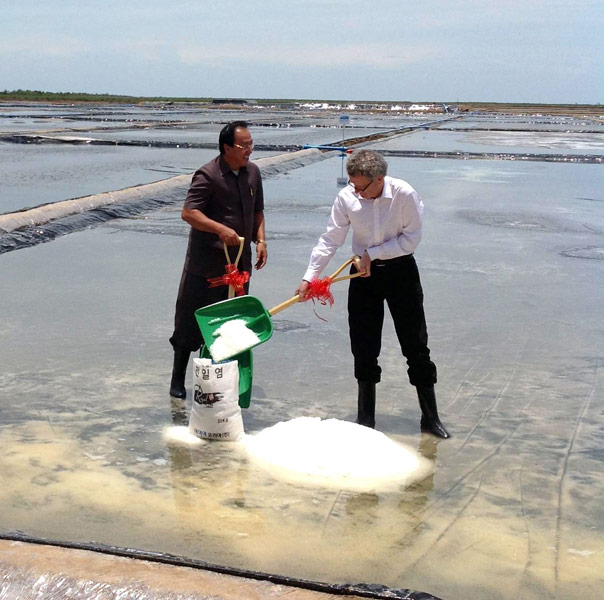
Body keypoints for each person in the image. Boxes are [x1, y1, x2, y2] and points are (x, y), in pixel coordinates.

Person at [295, 149, 450, 438]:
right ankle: (366, 419)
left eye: (361, 186)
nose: (356, 192)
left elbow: (411, 239)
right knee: (364, 346)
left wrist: (374, 253)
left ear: (379, 179)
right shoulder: (347, 198)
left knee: (415, 344)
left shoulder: (404, 193)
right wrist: (310, 277)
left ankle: (430, 418)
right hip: (362, 277)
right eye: (352, 185)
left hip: (401, 271)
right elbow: (330, 240)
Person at [169, 121, 267, 399]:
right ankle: (178, 380)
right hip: (206, 266)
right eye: (244, 145)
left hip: (239, 265)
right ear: (227, 148)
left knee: (232, 324)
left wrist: (261, 240)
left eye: (251, 144)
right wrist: (220, 229)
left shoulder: (253, 173)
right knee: (189, 321)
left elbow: (258, 211)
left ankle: (221, 381)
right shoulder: (208, 175)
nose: (249, 150)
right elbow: (189, 213)